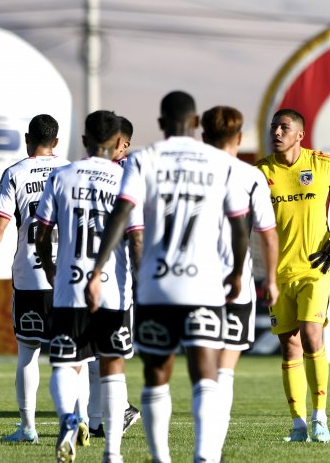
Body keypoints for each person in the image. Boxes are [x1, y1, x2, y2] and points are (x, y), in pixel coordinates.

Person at [87, 91, 250, 463]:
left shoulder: (143, 160)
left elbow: (122, 215)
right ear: (195, 123)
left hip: (157, 285)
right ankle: (204, 457)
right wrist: (238, 272)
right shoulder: (220, 162)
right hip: (205, 284)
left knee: (157, 374)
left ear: (160, 124)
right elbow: (240, 226)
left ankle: (161, 459)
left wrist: (97, 269)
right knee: (206, 374)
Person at [255, 108, 330, 443]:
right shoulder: (260, 172)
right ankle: (298, 425)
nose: (276, 132)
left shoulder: (323, 164)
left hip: (316, 268)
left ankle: (320, 418)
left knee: (311, 336)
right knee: (289, 346)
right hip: (279, 272)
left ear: (299, 135)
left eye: (284, 127)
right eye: (274, 127)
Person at [0, 114, 68, 444]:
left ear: (27, 138)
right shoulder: (71, 170)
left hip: (30, 276)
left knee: (28, 353)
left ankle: (28, 428)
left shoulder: (15, 173)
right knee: (79, 357)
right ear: (57, 143)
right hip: (68, 277)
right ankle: (85, 421)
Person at [33, 110, 135, 463]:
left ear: (84, 140)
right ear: (116, 141)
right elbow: (136, 239)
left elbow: (42, 232)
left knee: (65, 364)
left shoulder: (61, 176)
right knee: (112, 367)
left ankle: (67, 419)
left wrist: (49, 268)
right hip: (114, 289)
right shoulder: (126, 179)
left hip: (70, 285)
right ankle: (113, 453)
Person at [200, 105, 280, 450]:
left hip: (193, 283)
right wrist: (272, 280)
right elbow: (267, 233)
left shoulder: (192, 171)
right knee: (225, 370)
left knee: (200, 372)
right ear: (239, 137)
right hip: (236, 282)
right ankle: (211, 451)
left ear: (204, 136)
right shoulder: (251, 176)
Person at [86, 116, 142, 441]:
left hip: (116, 280)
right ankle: (98, 421)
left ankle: (114, 415)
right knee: (89, 356)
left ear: (124, 145)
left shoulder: (130, 178)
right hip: (84, 277)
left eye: (117, 142)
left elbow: (137, 232)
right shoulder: (86, 172)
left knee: (105, 356)